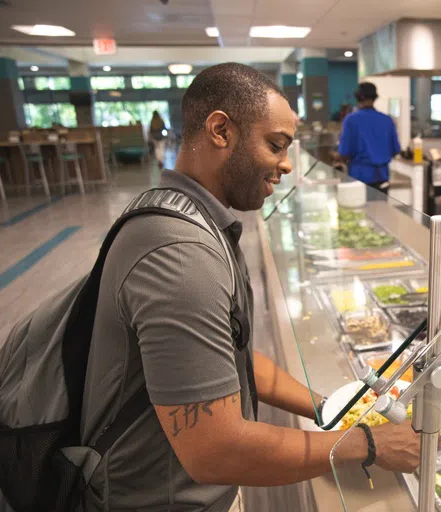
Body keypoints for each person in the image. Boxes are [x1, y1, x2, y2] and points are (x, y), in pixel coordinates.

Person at [78, 63, 420, 511]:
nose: (286, 163)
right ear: (221, 130)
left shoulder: (181, 211)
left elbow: (223, 356)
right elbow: (216, 451)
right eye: (275, 145)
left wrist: (330, 407)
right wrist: (367, 443)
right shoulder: (181, 257)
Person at [338, 82, 401, 193]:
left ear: (358, 98)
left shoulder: (351, 120)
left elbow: (344, 152)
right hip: (382, 178)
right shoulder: (387, 120)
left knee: (359, 210)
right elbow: (396, 150)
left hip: (359, 178)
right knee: (380, 209)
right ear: (375, 98)